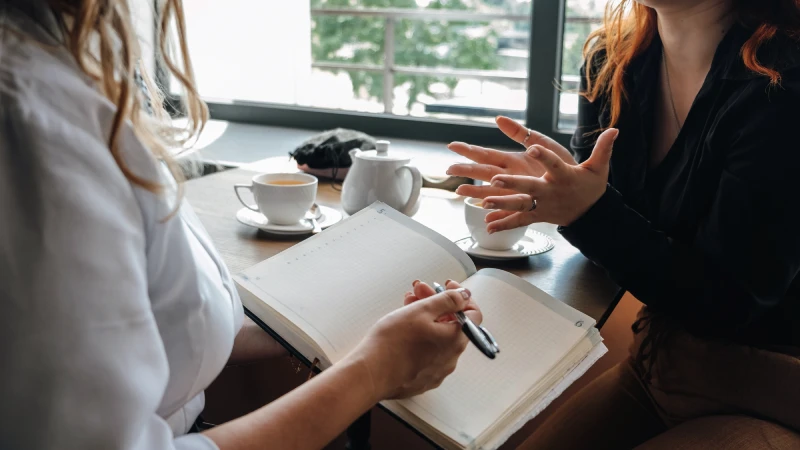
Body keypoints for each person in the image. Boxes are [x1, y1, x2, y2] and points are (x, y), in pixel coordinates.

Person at [0, 1, 482, 449]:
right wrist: (374, 371)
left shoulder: (63, 73)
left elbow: (173, 320)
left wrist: (346, 318)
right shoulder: (29, 119)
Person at [447, 0, 800, 448]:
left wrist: (589, 212)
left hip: (774, 385)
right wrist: (565, 192)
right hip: (663, 364)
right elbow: (619, 238)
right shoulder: (611, 62)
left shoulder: (784, 87)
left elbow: (731, 301)